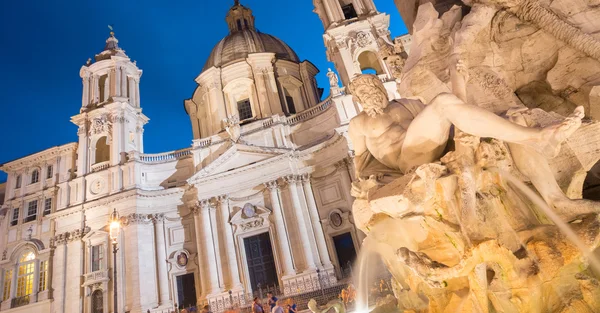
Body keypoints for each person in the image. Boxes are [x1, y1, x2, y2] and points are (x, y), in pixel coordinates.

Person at [347, 58, 599, 221]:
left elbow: (455, 116)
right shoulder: (358, 124)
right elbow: (363, 167)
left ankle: (556, 199)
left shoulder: (406, 103)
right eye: (363, 91)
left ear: (381, 87)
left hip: (434, 146)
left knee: (514, 118)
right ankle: (539, 138)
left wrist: (461, 86)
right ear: (357, 99)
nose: (369, 92)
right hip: (407, 161)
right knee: (444, 102)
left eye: (373, 86)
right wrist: (365, 187)